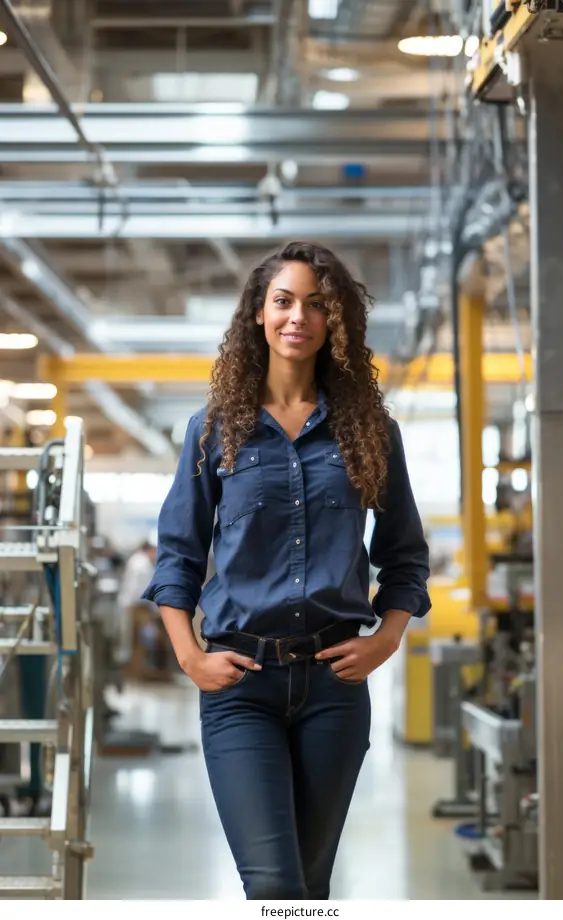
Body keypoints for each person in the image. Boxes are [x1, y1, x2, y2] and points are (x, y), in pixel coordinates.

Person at [142, 241, 431, 900]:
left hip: (334, 688)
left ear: (337, 322)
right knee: (273, 885)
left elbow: (405, 555)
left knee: (308, 887)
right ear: (258, 314)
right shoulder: (214, 430)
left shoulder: (372, 431)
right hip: (241, 688)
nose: (297, 316)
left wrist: (386, 639)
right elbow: (177, 557)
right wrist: (190, 657)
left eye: (316, 304)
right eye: (283, 301)